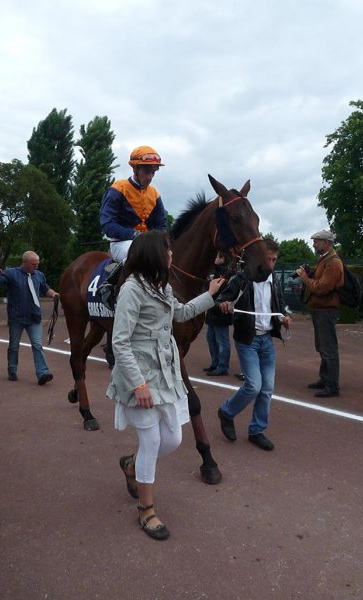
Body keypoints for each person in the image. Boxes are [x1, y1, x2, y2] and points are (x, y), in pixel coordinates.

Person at [106, 230, 225, 540]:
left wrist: (209, 295)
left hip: (165, 374)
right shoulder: (131, 290)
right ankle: (147, 510)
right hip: (141, 378)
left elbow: (181, 314)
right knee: (152, 442)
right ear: (154, 254)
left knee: (172, 439)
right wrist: (138, 384)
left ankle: (131, 464)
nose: (172, 255)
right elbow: (120, 341)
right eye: (168, 251)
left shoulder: (162, 286)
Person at [215, 240, 292, 451]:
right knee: (253, 386)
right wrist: (224, 304)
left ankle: (256, 430)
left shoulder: (274, 279)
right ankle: (227, 412)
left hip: (266, 339)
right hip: (247, 339)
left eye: (274, 260)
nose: (270, 264)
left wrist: (284, 317)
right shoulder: (243, 278)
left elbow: (280, 304)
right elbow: (222, 297)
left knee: (267, 388)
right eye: (267, 259)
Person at [99, 145, 168, 287]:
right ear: (135, 169)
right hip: (121, 243)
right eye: (147, 171)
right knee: (139, 256)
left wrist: (156, 239)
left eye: (153, 172)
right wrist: (133, 234)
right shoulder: (118, 189)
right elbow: (107, 224)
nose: (150, 177)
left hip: (149, 244)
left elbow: (162, 224)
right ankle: (110, 287)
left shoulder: (154, 194)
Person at [0, 251, 59, 384]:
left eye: (37, 264)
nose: (36, 267)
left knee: (37, 345)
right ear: (24, 262)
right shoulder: (11, 273)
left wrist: (54, 294)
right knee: (14, 346)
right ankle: (12, 370)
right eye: (33, 264)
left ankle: (43, 373)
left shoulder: (39, 275)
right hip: (17, 317)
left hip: (35, 316)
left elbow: (45, 289)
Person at [297, 230, 344, 398]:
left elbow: (322, 288)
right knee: (322, 346)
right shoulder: (324, 259)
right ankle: (325, 378)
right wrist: (310, 273)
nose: (313, 244)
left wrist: (305, 278)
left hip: (326, 310)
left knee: (328, 347)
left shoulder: (333, 262)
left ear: (328, 243)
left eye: (317, 241)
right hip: (319, 309)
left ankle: (332, 385)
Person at [203, 252, 234, 376]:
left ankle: (223, 367)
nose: (214, 258)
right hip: (212, 311)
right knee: (211, 338)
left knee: (222, 340)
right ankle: (215, 363)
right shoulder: (215, 272)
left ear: (222, 258)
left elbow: (227, 292)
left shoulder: (228, 274)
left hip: (221, 312)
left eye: (217, 257)